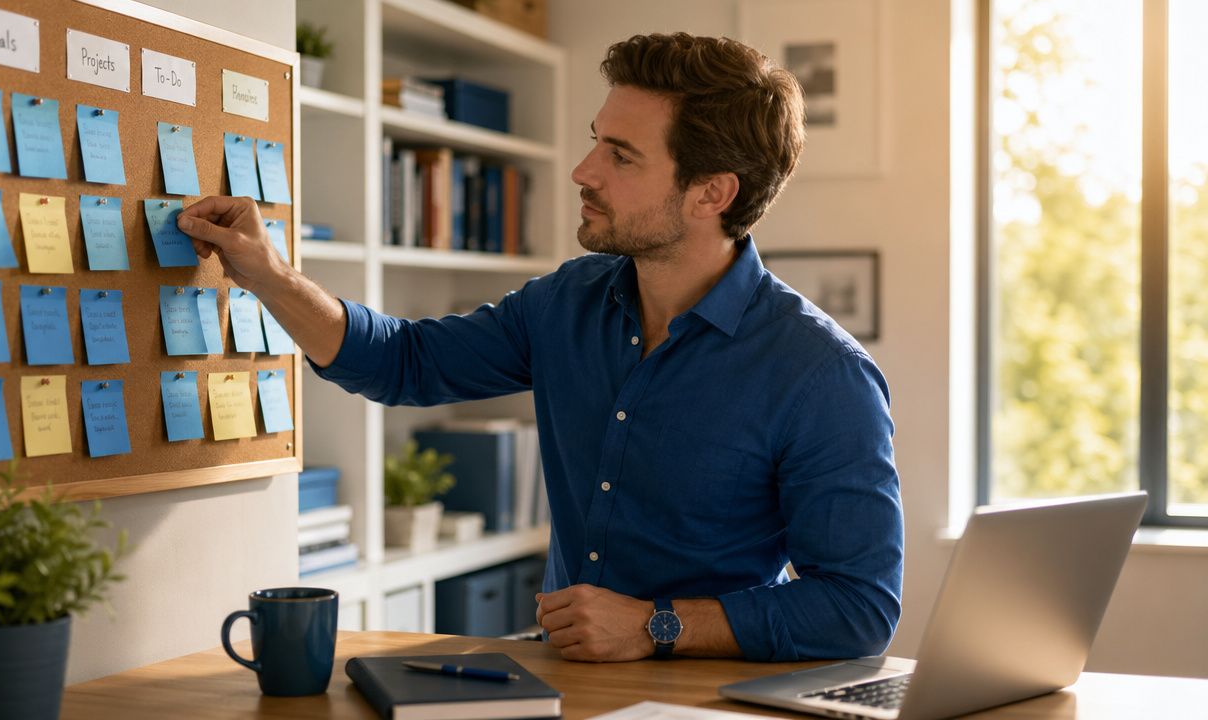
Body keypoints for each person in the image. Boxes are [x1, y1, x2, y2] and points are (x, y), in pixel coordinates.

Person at [177, 33, 902, 663]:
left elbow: (859, 609)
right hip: (565, 678)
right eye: (596, 139)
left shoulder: (821, 374)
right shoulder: (568, 302)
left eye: (620, 155)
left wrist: (657, 626)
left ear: (710, 193)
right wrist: (267, 276)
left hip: (708, 695)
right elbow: (407, 362)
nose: (584, 171)